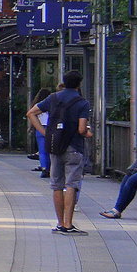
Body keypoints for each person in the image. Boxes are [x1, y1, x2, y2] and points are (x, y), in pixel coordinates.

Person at [28, 70, 92, 235]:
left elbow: (31, 113)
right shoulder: (82, 103)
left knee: (57, 185)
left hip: (55, 146)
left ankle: (59, 223)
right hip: (74, 147)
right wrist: (87, 132)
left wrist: (44, 132)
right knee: (71, 185)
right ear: (79, 84)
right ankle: (68, 224)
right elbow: (81, 128)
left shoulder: (53, 98)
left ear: (64, 81)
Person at [26, 87, 52, 177]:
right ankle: (50, 167)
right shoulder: (51, 104)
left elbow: (31, 116)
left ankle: (44, 168)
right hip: (50, 127)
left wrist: (31, 128)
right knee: (50, 150)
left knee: (42, 151)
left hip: (39, 127)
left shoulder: (37, 106)